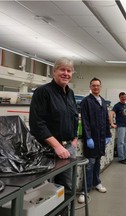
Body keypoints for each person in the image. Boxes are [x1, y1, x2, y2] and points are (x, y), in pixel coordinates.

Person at [29, 57, 79, 194]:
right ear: (54, 71)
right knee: (46, 191)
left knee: (67, 187)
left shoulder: (70, 93)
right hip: (48, 150)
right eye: (62, 69)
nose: (66, 73)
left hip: (69, 148)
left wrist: (74, 139)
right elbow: (37, 123)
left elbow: (74, 117)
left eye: (69, 71)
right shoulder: (43, 92)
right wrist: (57, 146)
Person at [78, 77, 112, 203]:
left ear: (100, 87)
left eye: (98, 85)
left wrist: (108, 134)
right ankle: (84, 190)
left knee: (98, 162)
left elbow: (106, 120)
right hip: (92, 139)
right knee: (90, 164)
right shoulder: (86, 102)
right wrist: (88, 137)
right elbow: (85, 121)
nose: (96, 87)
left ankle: (97, 183)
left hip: (101, 138)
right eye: (93, 85)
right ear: (90, 87)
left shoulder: (103, 101)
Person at [110, 92, 126, 165]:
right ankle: (121, 158)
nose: (124, 98)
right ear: (119, 97)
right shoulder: (117, 105)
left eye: (125, 97)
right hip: (121, 126)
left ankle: (125, 157)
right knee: (121, 142)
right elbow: (111, 113)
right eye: (122, 97)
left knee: (125, 142)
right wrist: (112, 123)